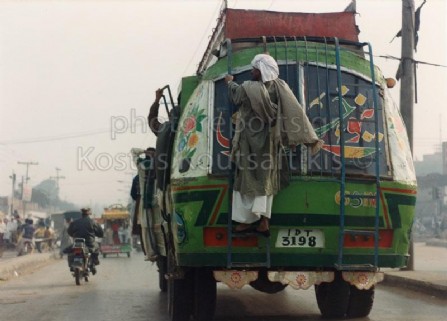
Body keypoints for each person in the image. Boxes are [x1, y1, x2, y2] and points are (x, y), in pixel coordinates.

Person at [225, 53, 322, 235]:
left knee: (245, 179)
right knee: (266, 179)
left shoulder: (248, 88)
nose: (252, 71)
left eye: (254, 68)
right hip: (270, 141)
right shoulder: (280, 86)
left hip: (249, 142)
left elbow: (236, 97)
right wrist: (301, 137)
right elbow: (294, 110)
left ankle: (245, 222)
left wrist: (229, 82)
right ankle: (264, 222)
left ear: (260, 71)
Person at [131, 147, 158, 261]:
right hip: (158, 200)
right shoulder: (161, 164)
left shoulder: (141, 165)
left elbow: (133, 151)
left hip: (145, 201)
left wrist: (143, 151)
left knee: (146, 227)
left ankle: (150, 252)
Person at [67, 208, 104, 272]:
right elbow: (100, 233)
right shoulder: (93, 222)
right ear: (89, 214)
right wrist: (99, 235)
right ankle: (95, 261)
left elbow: (69, 232)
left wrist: (74, 235)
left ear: (82, 214)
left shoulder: (75, 222)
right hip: (89, 244)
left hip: (77, 242)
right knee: (97, 246)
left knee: (70, 251)